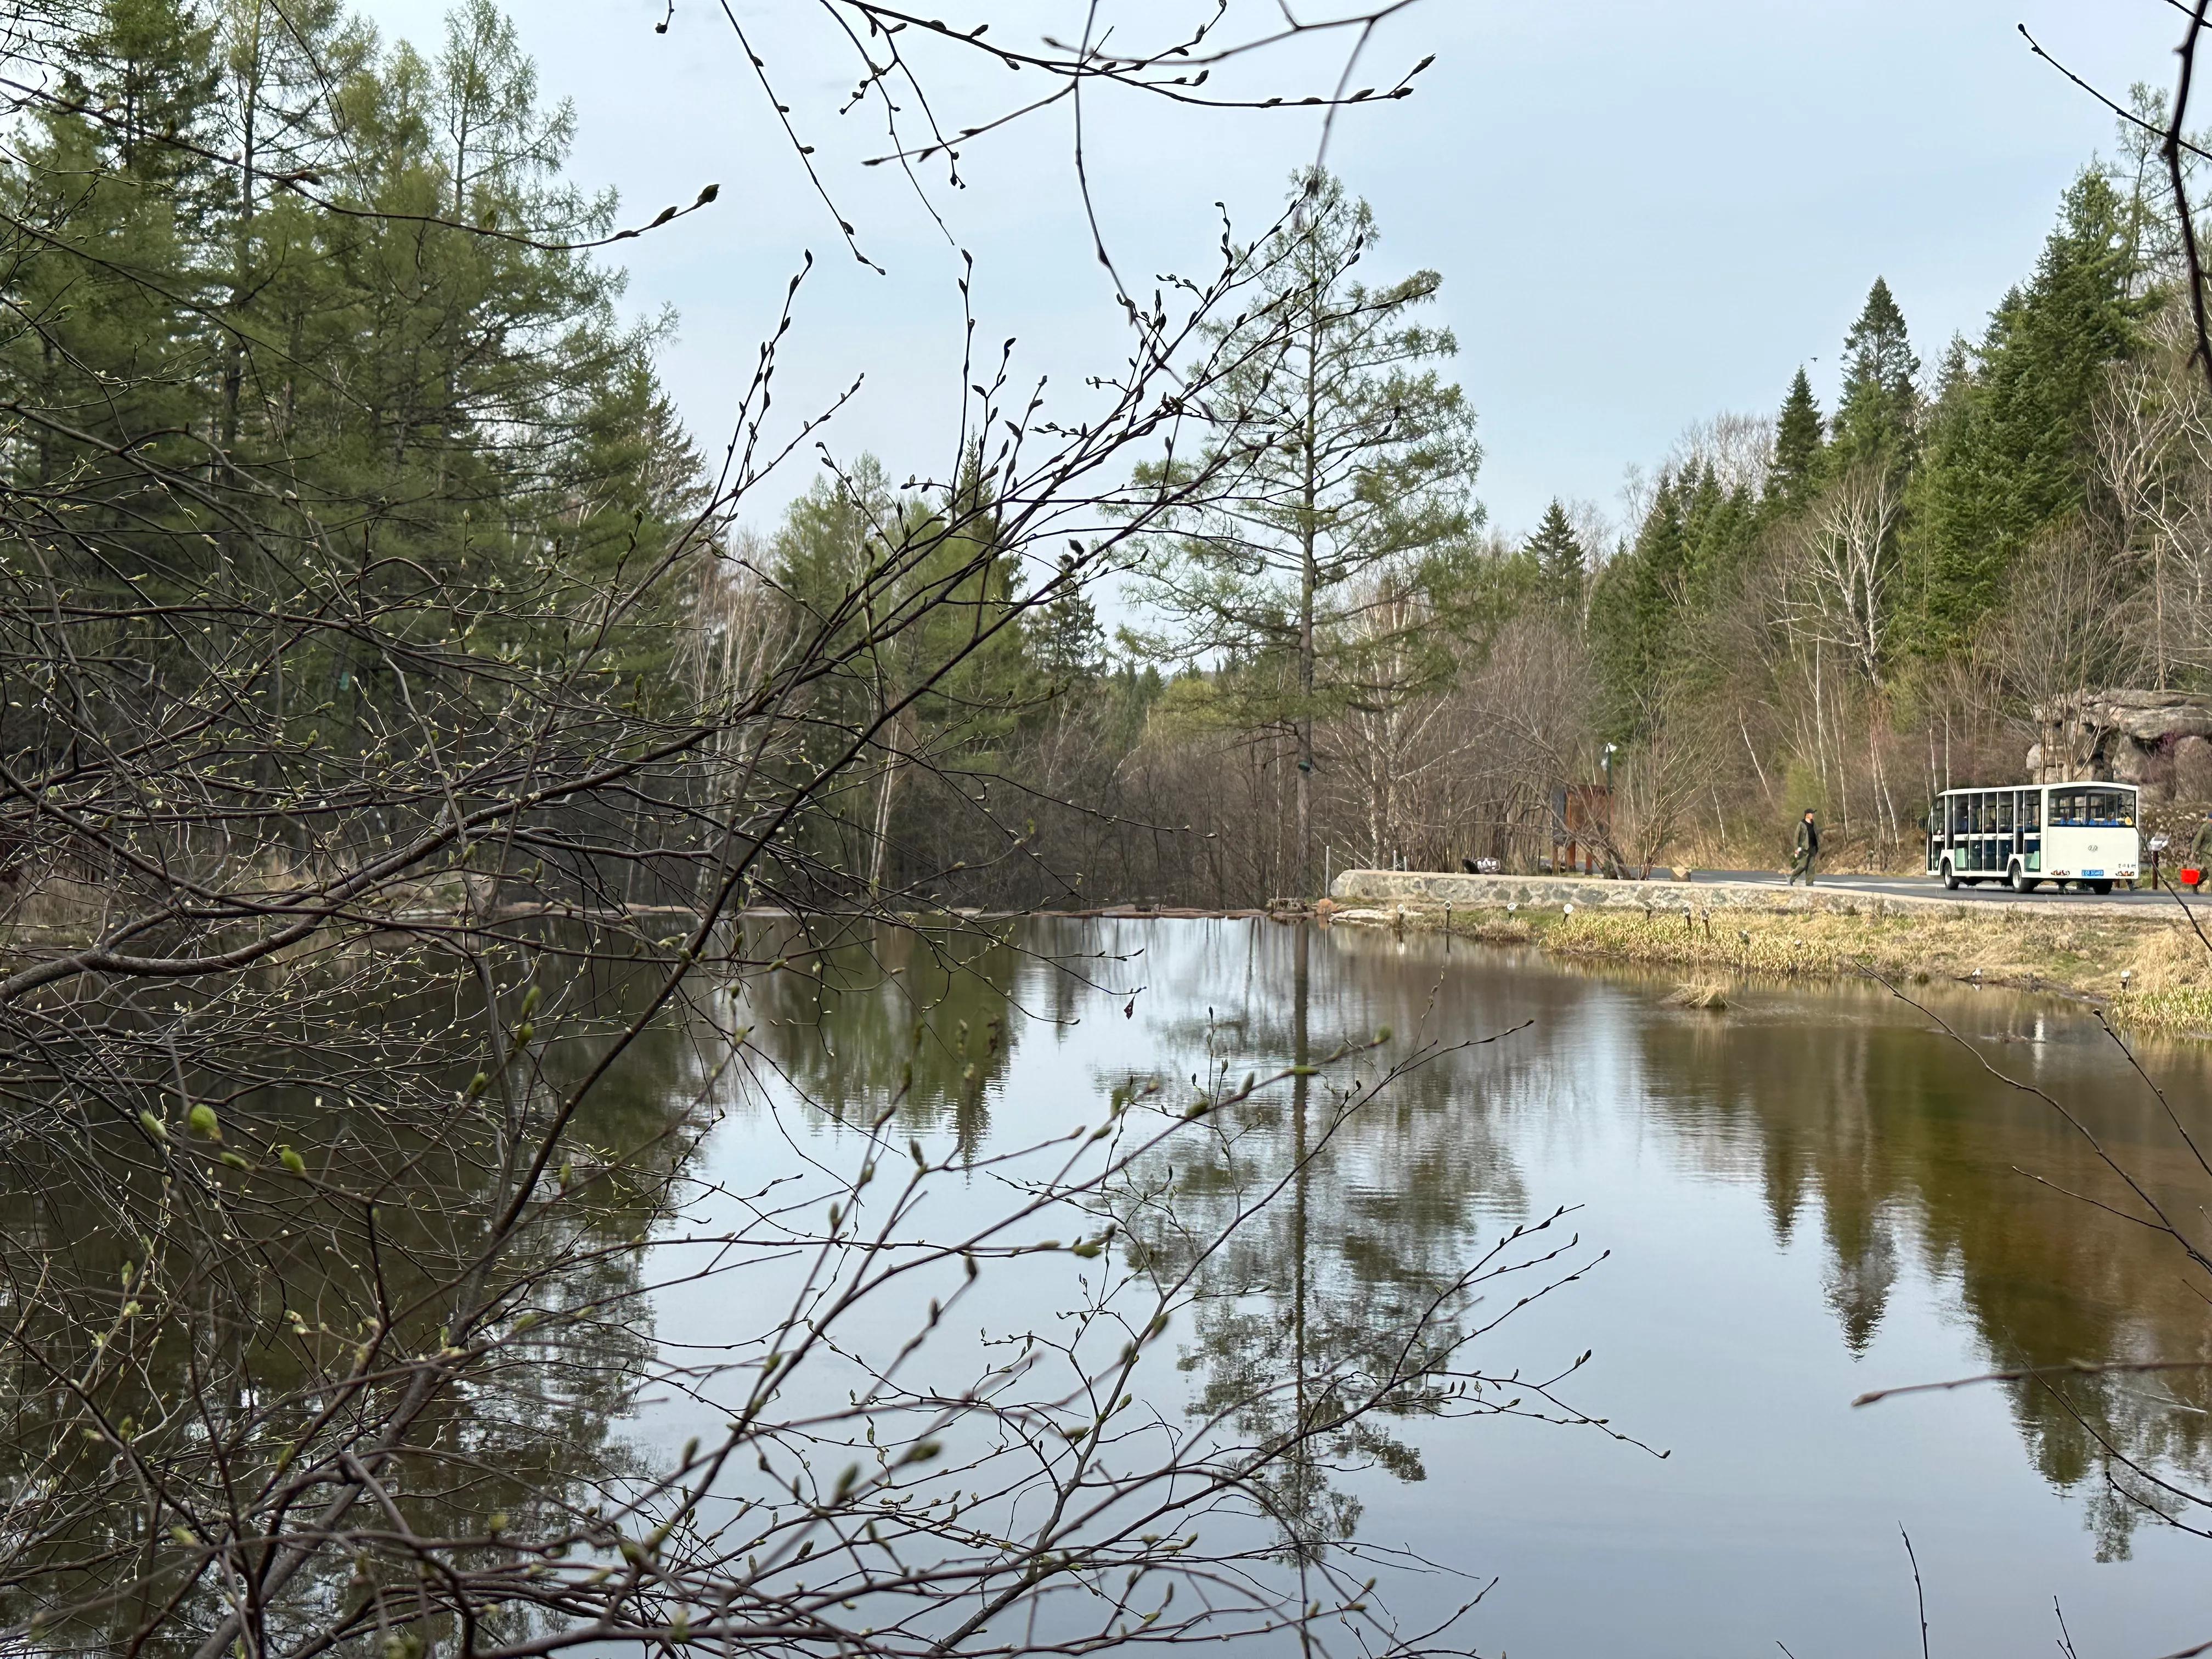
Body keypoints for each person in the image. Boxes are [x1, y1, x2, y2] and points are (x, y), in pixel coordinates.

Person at [1788, 809, 1820, 887]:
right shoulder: (1801, 824)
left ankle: (1810, 883)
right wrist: (1796, 848)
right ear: (1807, 815)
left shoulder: (1814, 824)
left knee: (1811, 867)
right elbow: (1796, 837)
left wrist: (1817, 846)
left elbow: (1816, 835)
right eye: (1811, 813)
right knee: (1802, 865)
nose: (1813, 815)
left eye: (1813, 813)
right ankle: (1792, 878)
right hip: (1804, 848)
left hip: (1813, 847)